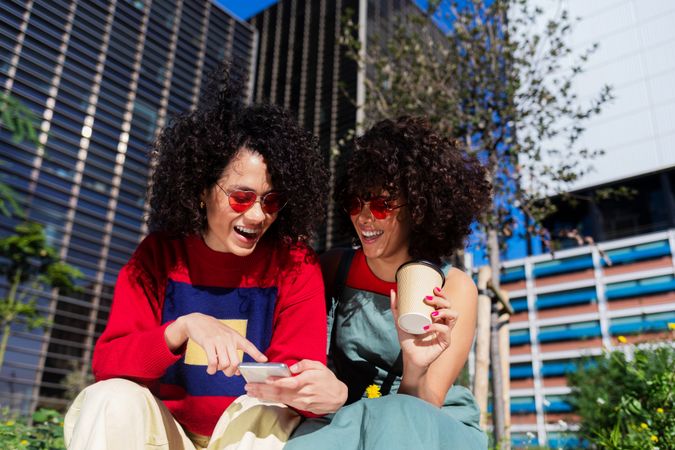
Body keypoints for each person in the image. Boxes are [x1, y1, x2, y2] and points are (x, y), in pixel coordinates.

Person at [63, 69, 331, 450]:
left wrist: (313, 388)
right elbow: (109, 361)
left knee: (268, 412)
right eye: (241, 197)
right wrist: (183, 328)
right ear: (203, 191)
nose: (257, 215)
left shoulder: (295, 262)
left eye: (271, 201)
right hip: (167, 435)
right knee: (110, 398)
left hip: (249, 439)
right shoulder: (159, 254)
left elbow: (298, 376)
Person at [244, 116, 492, 449]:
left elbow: (424, 404)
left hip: (424, 417)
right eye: (355, 202)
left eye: (381, 204)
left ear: (419, 209)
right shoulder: (334, 267)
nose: (364, 217)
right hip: (345, 415)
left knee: (399, 419)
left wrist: (415, 367)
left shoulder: (453, 287)